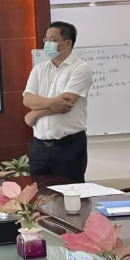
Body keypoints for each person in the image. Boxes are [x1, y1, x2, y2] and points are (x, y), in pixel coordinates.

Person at [23, 21, 93, 182]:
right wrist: (51, 103)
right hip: (39, 146)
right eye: (46, 39)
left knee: (70, 192)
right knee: (40, 192)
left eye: (53, 40)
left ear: (67, 43)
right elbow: (27, 99)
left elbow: (66, 103)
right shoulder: (39, 69)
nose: (48, 44)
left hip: (68, 145)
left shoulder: (80, 68)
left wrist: (35, 114)